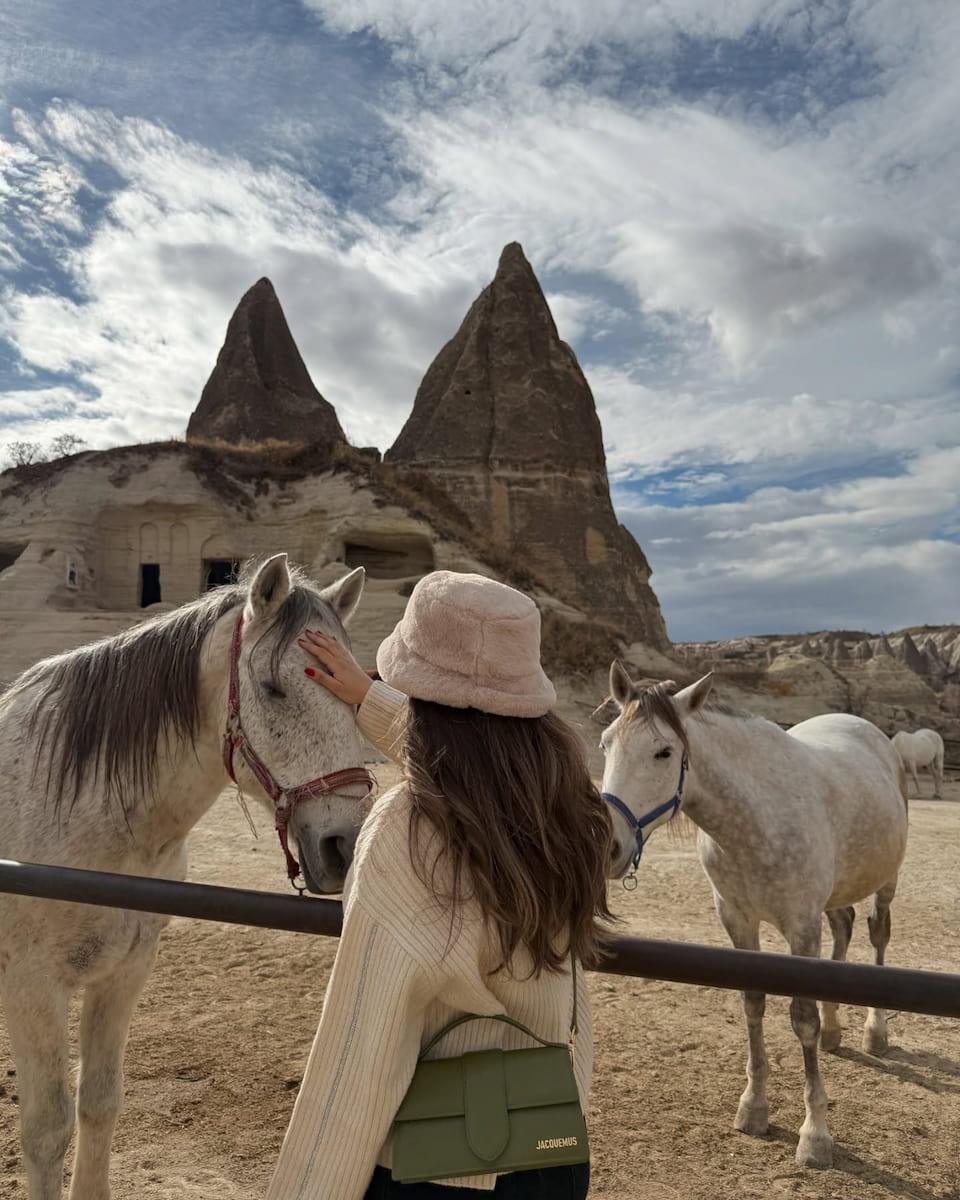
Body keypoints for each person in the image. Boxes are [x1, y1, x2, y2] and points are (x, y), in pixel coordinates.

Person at [266, 571, 612, 1199]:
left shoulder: (409, 828)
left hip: (438, 1166)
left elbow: (361, 1055)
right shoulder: (567, 803)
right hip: (551, 1148)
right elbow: (481, 755)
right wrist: (372, 702)